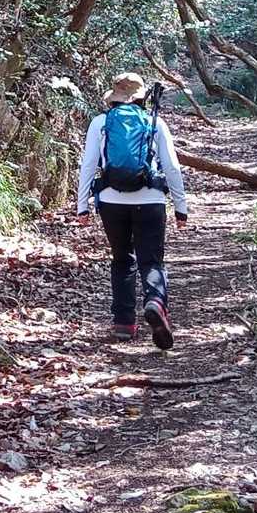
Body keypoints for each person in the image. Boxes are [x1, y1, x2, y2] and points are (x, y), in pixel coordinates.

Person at [76, 71, 190, 349]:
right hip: (150, 200)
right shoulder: (155, 122)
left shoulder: (100, 123)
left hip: (111, 201)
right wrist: (180, 207)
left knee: (122, 259)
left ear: (114, 97)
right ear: (141, 98)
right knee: (151, 260)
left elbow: (88, 165)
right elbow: (172, 167)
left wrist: (82, 206)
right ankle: (155, 302)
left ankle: (124, 323)